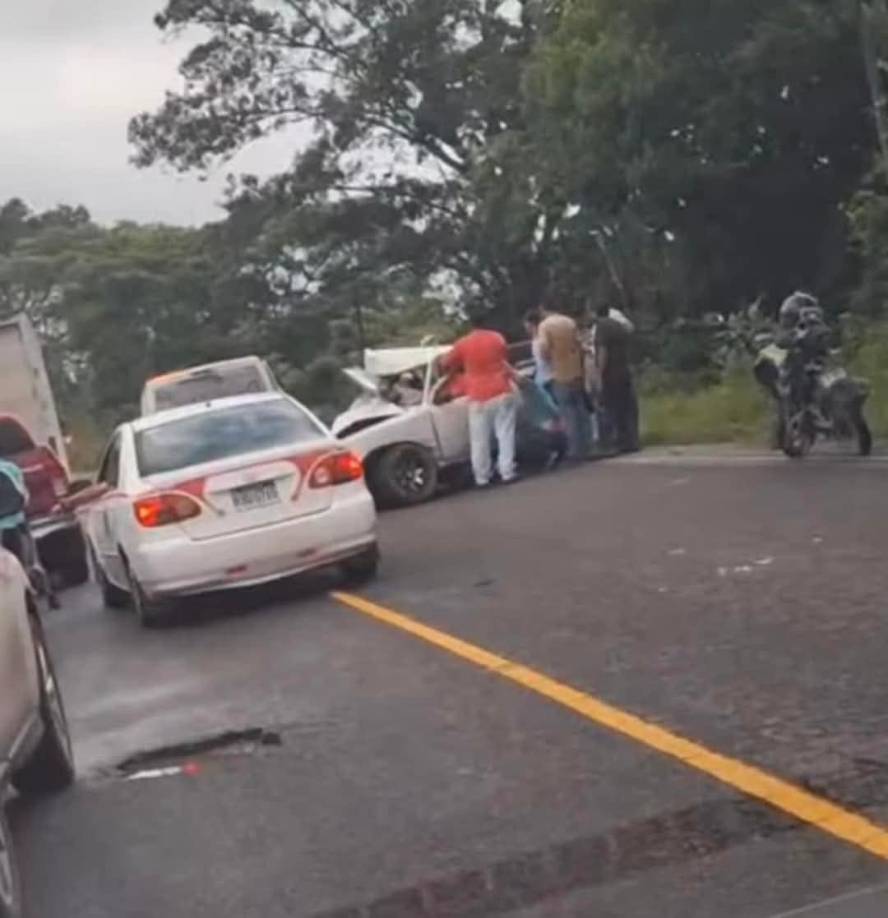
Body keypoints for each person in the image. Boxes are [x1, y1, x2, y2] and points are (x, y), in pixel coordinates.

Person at [440, 311, 521, 487]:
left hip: (478, 395)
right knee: (505, 434)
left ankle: (482, 477)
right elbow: (504, 358)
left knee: (479, 439)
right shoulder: (497, 338)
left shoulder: (463, 343)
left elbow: (445, 363)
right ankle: (507, 471)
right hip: (501, 389)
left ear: (471, 324)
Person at [531, 306, 592, 461]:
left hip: (559, 373)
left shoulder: (545, 326)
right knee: (581, 410)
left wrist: (549, 359)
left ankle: (574, 449)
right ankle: (588, 445)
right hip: (576, 372)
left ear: (545, 310)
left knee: (567, 412)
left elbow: (544, 349)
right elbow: (580, 344)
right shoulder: (569, 322)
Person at [595, 303, 639, 453]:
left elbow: (603, 351)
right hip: (624, 368)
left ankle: (618, 441)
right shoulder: (618, 325)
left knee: (613, 407)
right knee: (627, 407)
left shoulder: (601, 327)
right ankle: (632, 440)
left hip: (611, 373)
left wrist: (599, 373)